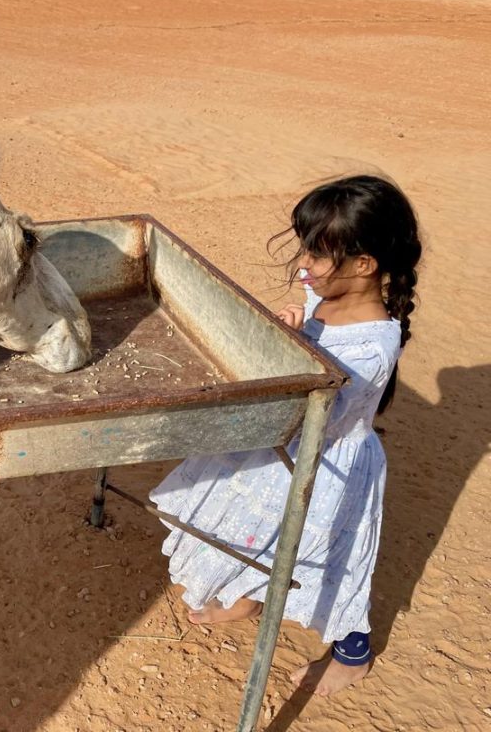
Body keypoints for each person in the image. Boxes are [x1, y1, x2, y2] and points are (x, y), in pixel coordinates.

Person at [149, 174, 422, 695]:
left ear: (364, 266)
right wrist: (294, 337)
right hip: (285, 454)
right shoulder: (331, 301)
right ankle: (248, 594)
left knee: (328, 560)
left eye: (317, 256)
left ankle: (353, 652)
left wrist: (287, 348)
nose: (302, 265)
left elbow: (316, 415)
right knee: (255, 535)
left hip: (326, 467)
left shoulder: (372, 348)